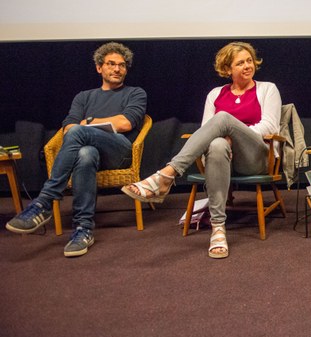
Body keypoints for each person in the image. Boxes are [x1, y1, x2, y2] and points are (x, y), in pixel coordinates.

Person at [122, 42, 281, 259]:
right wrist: (225, 137)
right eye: (240, 63)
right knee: (216, 144)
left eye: (249, 61)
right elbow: (207, 131)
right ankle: (218, 229)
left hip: (254, 157)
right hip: (222, 157)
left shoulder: (267, 89)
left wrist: (233, 134)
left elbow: (270, 126)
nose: (247, 66)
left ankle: (167, 174)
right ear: (228, 69)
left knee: (223, 119)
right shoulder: (215, 94)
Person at [5, 42, 147, 258]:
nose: (117, 69)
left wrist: (88, 122)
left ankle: (45, 201)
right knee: (85, 154)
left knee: (80, 132)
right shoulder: (84, 97)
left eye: (122, 65)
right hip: (92, 154)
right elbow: (68, 128)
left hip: (120, 151)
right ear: (99, 67)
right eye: (111, 64)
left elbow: (125, 123)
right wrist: (86, 127)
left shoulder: (135, 93)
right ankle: (83, 229)